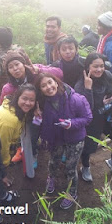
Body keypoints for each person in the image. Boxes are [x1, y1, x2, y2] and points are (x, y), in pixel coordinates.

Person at [35, 73, 92, 209]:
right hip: (57, 137)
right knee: (53, 160)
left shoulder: (76, 99)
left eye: (50, 82)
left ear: (56, 82)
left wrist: (72, 123)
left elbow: (87, 118)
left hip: (75, 138)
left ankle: (71, 193)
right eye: (43, 86)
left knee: (71, 167)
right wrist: (37, 115)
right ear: (40, 90)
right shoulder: (43, 102)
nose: (48, 87)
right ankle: (52, 178)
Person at [75, 53, 112, 179]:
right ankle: (85, 167)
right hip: (91, 121)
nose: (99, 70)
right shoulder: (80, 85)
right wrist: (88, 88)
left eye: (101, 66)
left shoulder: (108, 76)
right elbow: (85, 109)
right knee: (88, 148)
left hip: (107, 118)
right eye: (95, 66)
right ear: (88, 67)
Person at [0, 84, 36, 166]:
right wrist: (6, 163)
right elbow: (3, 145)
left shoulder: (17, 109)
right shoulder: (9, 121)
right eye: (24, 98)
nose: (28, 103)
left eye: (32, 100)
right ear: (17, 97)